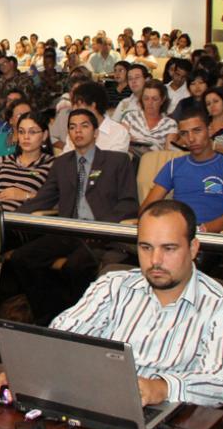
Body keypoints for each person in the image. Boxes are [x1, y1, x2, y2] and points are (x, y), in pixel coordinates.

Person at [0, 200, 223, 408]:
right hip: (95, 401)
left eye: (169, 249)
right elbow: (61, 337)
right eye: (145, 247)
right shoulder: (113, 285)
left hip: (169, 419)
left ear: (193, 249)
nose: (155, 260)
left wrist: (162, 388)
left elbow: (219, 383)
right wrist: (24, 371)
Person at [10, 109, 138, 323]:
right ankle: (50, 316)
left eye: (84, 126)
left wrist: (103, 227)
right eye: (72, 127)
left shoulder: (117, 161)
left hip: (100, 234)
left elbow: (130, 203)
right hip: (67, 230)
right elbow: (43, 199)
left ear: (96, 132)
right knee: (21, 258)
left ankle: (78, 321)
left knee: (76, 267)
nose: (78, 131)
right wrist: (12, 217)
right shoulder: (62, 163)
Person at [142, 106, 223, 232]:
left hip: (212, 238)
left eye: (197, 131)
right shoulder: (173, 166)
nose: (191, 139)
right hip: (176, 234)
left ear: (209, 130)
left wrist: (200, 230)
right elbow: (147, 208)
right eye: (184, 133)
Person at [0, 112, 54, 212]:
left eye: (32, 132)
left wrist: (25, 195)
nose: (26, 137)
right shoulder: (1, 160)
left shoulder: (53, 164)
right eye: (21, 132)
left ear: (45, 135)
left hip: (23, 220)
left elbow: (54, 199)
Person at [121, 79, 178, 154]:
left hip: (154, 162)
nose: (150, 103)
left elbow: (168, 154)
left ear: (162, 100)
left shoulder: (170, 124)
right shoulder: (130, 117)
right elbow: (119, 141)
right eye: (146, 98)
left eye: (155, 99)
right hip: (129, 159)